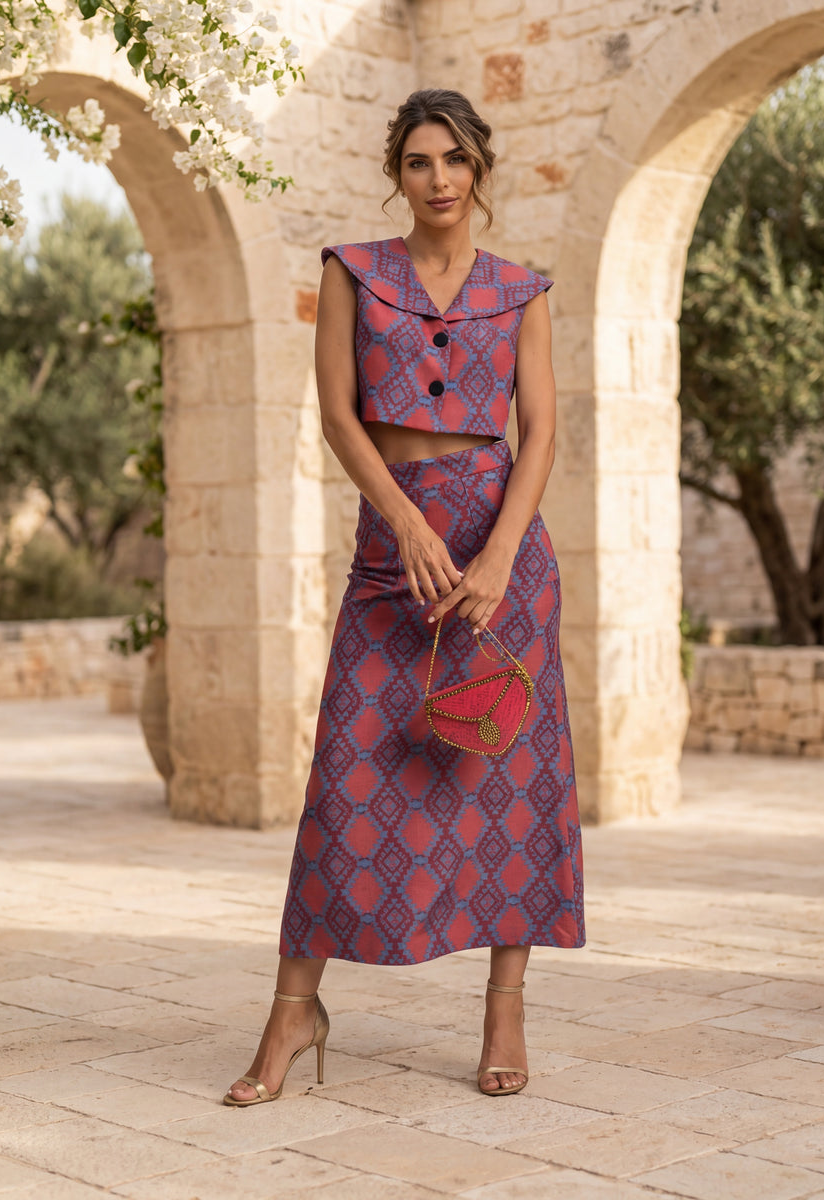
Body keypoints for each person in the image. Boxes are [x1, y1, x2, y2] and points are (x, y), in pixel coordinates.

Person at [224, 88, 585, 1107]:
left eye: (455, 160)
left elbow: (542, 430)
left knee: (511, 788)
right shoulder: (353, 272)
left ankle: (505, 1007)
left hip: (500, 556)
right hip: (394, 553)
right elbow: (339, 417)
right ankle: (296, 1009)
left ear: (481, 171)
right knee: (344, 783)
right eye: (420, 162)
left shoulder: (523, 290)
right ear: (399, 173)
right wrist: (406, 522)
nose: (439, 179)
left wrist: (502, 553)